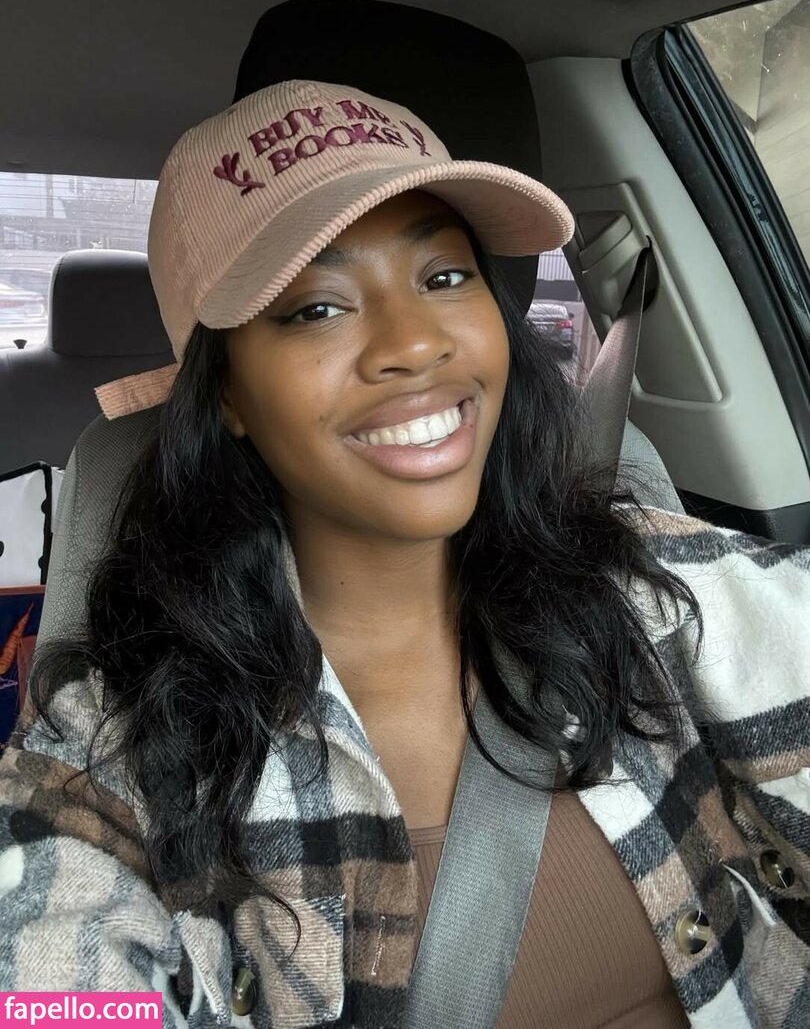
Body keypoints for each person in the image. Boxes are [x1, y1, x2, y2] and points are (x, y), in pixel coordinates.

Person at [0, 80, 807, 1029]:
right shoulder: (113, 748)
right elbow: (54, 975)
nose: (417, 344)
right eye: (316, 308)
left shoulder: (661, 590)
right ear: (227, 395)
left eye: (445, 277)